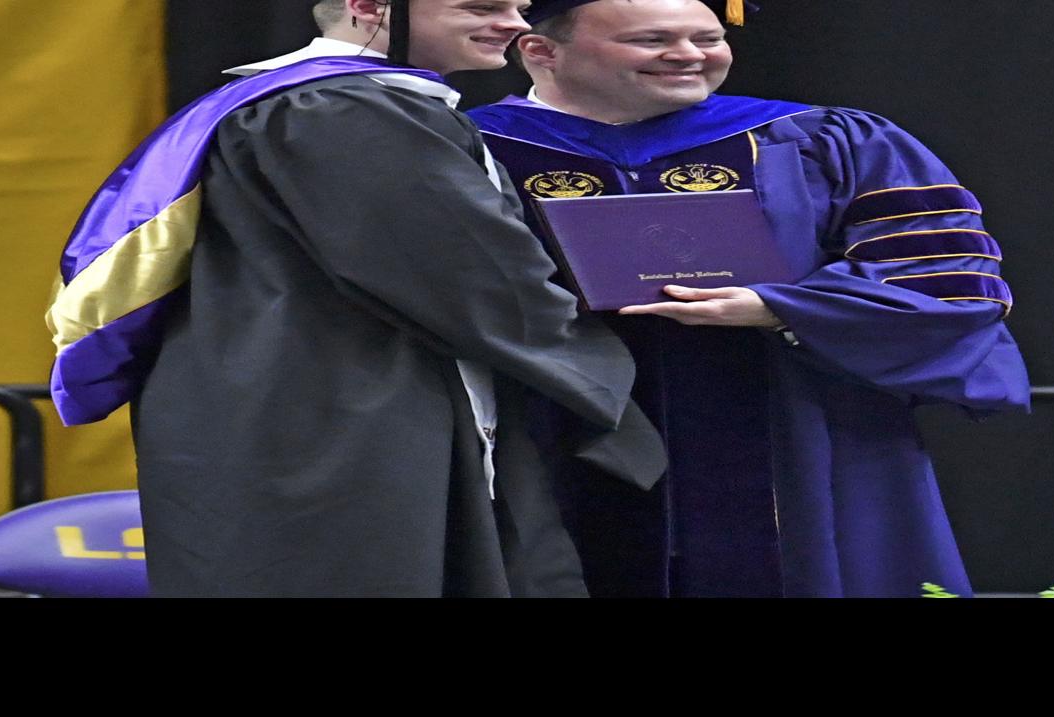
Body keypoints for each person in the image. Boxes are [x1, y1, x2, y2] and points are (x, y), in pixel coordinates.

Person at [44, 0, 665, 597]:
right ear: (370, 7)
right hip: (339, 412)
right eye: (479, 7)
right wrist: (606, 375)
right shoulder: (342, 108)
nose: (513, 23)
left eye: (517, 6)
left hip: (285, 391)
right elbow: (470, 276)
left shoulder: (297, 100)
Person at [468, 0, 1030, 597]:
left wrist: (780, 308)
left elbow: (943, 276)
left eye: (707, 38)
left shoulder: (823, 138)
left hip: (790, 423)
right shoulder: (468, 146)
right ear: (541, 52)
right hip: (541, 421)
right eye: (652, 39)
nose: (688, 55)